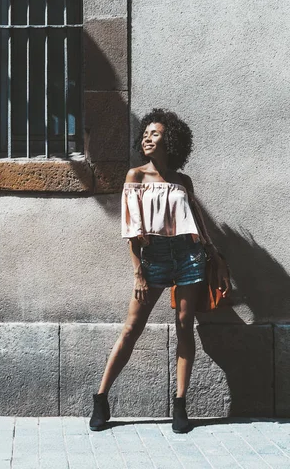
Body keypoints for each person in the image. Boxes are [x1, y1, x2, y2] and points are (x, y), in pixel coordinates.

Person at [89, 108, 231, 433]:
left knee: (184, 324)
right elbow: (130, 228)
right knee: (131, 329)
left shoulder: (182, 181)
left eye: (155, 133)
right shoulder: (135, 176)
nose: (147, 138)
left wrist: (216, 256)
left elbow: (197, 225)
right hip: (153, 258)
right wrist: (138, 271)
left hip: (189, 256)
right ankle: (100, 397)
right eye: (145, 134)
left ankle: (180, 405)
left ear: (171, 139)